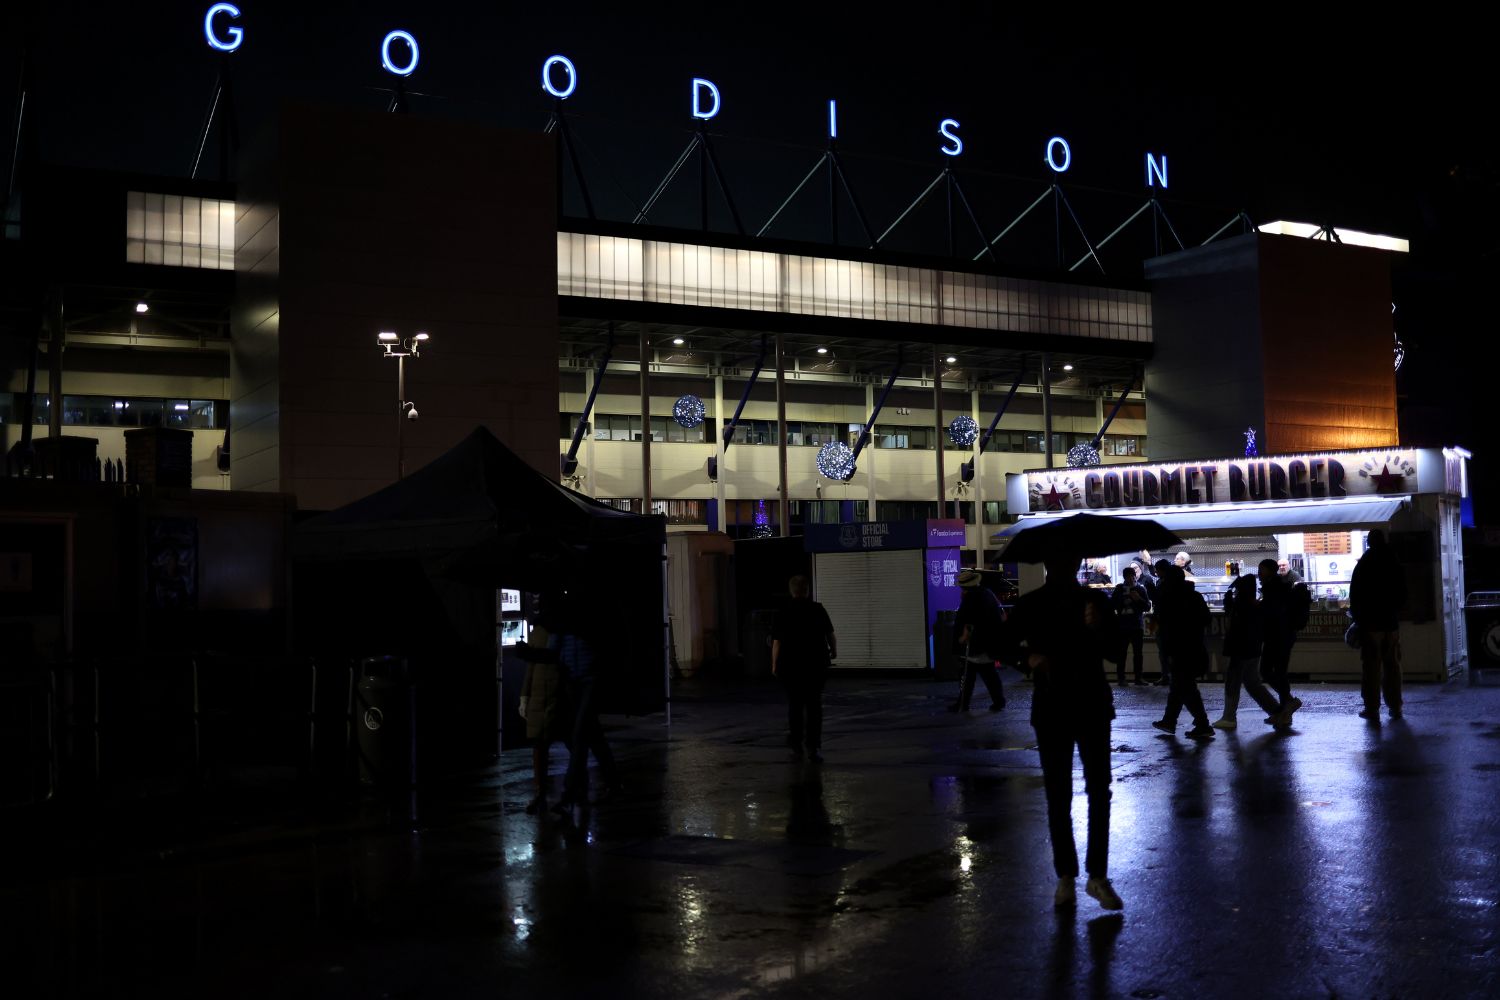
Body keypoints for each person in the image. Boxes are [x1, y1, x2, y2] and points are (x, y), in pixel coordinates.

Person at [1000, 549, 1125, 912]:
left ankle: (1078, 878)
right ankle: (1081, 877)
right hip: (1074, 705)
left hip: (1074, 705)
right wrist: (1029, 659)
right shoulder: (1038, 604)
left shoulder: (1092, 601)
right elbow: (1003, 644)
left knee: (1078, 792)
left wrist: (1098, 627)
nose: (1065, 566)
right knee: (1080, 792)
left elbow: (1116, 652)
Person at [554, 588, 618, 813]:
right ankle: (613, 782)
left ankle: (569, 792)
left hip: (586, 681)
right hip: (577, 682)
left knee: (580, 736)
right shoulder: (568, 623)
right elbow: (555, 650)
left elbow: (557, 650)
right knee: (593, 737)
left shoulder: (581, 623)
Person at [771, 575, 837, 762]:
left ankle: (796, 746)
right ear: (807, 590)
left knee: (795, 705)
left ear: (791, 591)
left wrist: (774, 664)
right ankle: (813, 747)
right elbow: (830, 634)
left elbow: (777, 642)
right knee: (814, 706)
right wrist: (834, 651)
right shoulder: (817, 609)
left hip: (790, 666)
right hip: (815, 664)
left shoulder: (783, 612)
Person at [1150, 564, 1215, 740]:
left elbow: (1166, 627)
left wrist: (1167, 651)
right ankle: (1169, 721)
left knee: (1184, 687)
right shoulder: (1194, 596)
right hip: (1195, 646)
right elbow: (1206, 619)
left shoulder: (1168, 598)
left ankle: (1202, 724)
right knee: (1180, 686)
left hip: (1178, 649)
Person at [1212, 574, 1285, 730]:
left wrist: (1229, 603)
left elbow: (1236, 626)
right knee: (1253, 683)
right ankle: (1277, 711)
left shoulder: (1241, 605)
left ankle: (1229, 717)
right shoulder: (1255, 605)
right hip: (1253, 649)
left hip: (1240, 650)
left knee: (1233, 682)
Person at [1349, 529, 1407, 722]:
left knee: (1371, 669)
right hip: (1390, 623)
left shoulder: (1364, 564)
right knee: (1392, 666)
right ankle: (1396, 706)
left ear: (1370, 542)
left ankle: (1372, 708)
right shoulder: (1394, 561)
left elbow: (1355, 595)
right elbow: (1403, 592)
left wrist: (1358, 619)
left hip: (1370, 624)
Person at [515, 601, 566, 814]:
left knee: (542, 746)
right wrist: (525, 695)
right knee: (542, 746)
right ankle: (546, 794)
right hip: (544, 694)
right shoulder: (549, 631)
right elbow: (533, 666)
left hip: (550, 694)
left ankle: (547, 794)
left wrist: (525, 695)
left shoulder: (543, 631)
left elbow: (534, 664)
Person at [951, 569, 1007, 712]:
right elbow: (1001, 615)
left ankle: (963, 703)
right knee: (989, 675)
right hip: (988, 642)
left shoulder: (971, 599)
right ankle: (998, 701)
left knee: (968, 676)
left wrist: (963, 638)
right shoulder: (987, 593)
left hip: (975, 644)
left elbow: (968, 622)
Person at [1257, 559, 1304, 729]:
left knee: (1267, 671)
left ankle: (1289, 702)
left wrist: (1259, 607)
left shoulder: (1273, 588)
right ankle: (1285, 713)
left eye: (1261, 570)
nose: (1259, 574)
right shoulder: (1280, 585)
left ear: (1270, 571)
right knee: (1279, 672)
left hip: (1277, 636)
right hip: (1285, 635)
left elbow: (1271, 613)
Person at [1111, 566, 1150, 687]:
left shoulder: (1140, 589)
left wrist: (1138, 598)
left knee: (1138, 653)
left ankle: (1138, 677)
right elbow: (1112, 605)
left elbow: (1147, 607)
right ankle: (1121, 678)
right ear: (1124, 577)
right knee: (1122, 653)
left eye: (1132, 576)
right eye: (1128, 577)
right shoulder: (1119, 589)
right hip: (1122, 626)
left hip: (1136, 625)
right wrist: (1123, 601)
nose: (1131, 579)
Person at [1151, 558, 1174, 686]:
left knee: (1164, 651)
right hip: (1166, 622)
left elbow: (1159, 601)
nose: (1156, 573)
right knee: (1166, 652)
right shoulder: (1167, 582)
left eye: (1157, 570)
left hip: (1164, 622)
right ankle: (1168, 676)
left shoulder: (1165, 584)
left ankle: (1166, 676)